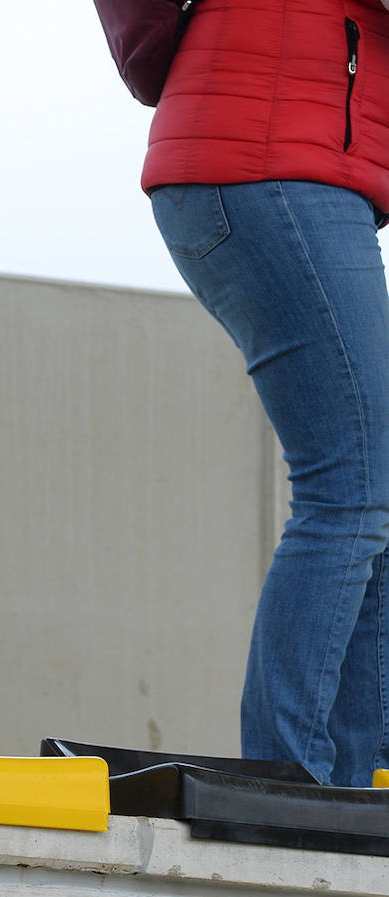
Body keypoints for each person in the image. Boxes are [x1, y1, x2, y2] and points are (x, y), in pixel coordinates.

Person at [144, 0, 389, 786]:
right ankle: (293, 784)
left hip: (283, 163)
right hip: (271, 158)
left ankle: (349, 790)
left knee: (372, 490)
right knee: (350, 489)